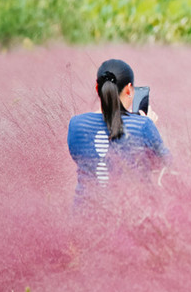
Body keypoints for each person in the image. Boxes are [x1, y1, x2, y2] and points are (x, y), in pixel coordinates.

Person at [67, 59, 171, 208]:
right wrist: (149, 128)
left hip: (84, 214)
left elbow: (83, 159)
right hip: (130, 215)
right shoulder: (143, 125)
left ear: (97, 88)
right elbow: (164, 163)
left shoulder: (76, 124)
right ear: (129, 89)